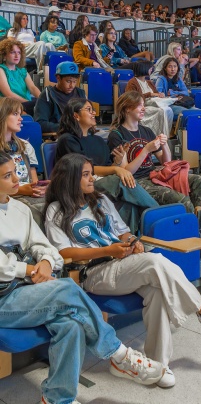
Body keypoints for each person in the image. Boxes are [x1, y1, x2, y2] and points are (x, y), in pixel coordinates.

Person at [44, 153, 201, 389]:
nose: (92, 179)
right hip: (94, 272)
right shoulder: (56, 211)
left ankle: (158, 364)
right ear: (69, 179)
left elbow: (123, 232)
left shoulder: (100, 200)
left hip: (121, 263)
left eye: (91, 173)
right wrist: (108, 250)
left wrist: (132, 241)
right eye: (86, 175)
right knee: (155, 262)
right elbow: (64, 252)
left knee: (157, 291)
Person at [0, 153, 164, 404]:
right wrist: (30, 269)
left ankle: (56, 399)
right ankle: (118, 354)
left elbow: (49, 250)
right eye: (7, 175)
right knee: (67, 289)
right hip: (4, 298)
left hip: (29, 289)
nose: (16, 178)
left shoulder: (19, 209)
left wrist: (44, 261)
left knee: (71, 324)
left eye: (14, 171)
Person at [56, 97, 158, 233]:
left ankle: (131, 240)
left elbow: (107, 165)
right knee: (120, 181)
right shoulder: (68, 140)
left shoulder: (97, 139)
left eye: (93, 110)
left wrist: (118, 160)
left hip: (100, 180)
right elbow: (85, 170)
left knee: (130, 204)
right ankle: (159, 215)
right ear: (76, 115)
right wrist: (116, 169)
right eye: (89, 110)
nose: (94, 113)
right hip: (81, 182)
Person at [107, 91, 201, 216]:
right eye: (139, 105)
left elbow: (166, 162)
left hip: (154, 175)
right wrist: (146, 150)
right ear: (127, 109)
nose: (143, 109)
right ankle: (191, 229)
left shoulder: (146, 131)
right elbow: (127, 172)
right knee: (182, 201)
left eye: (143, 105)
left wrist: (164, 144)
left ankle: (199, 225)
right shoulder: (117, 135)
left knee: (198, 181)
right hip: (136, 181)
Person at [0, 97, 48, 225]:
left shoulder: (25, 146)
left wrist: (39, 188)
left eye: (20, 114)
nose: (21, 118)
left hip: (26, 194)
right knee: (34, 214)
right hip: (6, 198)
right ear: (2, 116)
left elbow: (33, 181)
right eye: (15, 114)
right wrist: (21, 190)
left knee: (57, 205)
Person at [34, 61, 85, 133]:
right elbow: (40, 123)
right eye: (68, 81)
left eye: (74, 81)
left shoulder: (81, 93)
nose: (72, 85)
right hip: (59, 137)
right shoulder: (47, 94)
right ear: (58, 78)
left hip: (80, 134)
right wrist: (66, 128)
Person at [125, 61, 173, 136]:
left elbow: (156, 93)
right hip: (142, 106)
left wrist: (160, 95)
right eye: (150, 68)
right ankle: (155, 136)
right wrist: (150, 94)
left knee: (168, 110)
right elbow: (132, 98)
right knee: (162, 111)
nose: (151, 70)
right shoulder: (132, 82)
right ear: (144, 69)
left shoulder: (149, 82)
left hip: (153, 104)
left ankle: (164, 136)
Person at [0, 39, 41, 116]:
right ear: (4, 55)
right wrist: (29, 103)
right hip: (10, 105)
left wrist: (43, 99)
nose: (17, 56)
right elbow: (8, 94)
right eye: (12, 52)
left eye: (19, 53)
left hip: (26, 104)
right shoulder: (1, 70)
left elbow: (33, 88)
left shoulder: (22, 71)